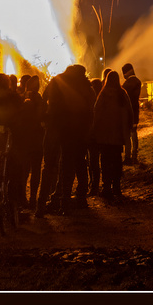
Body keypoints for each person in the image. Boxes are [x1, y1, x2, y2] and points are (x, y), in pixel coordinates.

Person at [43, 63, 96, 213]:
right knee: (80, 163)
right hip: (80, 131)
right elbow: (91, 108)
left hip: (62, 129)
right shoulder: (86, 87)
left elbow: (45, 98)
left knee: (64, 164)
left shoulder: (58, 81)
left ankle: (62, 200)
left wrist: (48, 118)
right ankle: (81, 197)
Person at [90, 70, 131, 202]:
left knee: (105, 161)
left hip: (104, 135)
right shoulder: (122, 93)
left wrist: (94, 129)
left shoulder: (103, 94)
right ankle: (117, 187)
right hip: (118, 135)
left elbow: (96, 113)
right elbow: (129, 112)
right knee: (117, 161)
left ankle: (106, 187)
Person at [9, 74, 46, 219]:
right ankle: (31, 198)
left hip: (26, 140)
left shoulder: (22, 98)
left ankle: (23, 197)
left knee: (24, 170)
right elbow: (42, 116)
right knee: (35, 170)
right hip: (36, 139)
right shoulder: (39, 99)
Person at [120, 65, 142, 165]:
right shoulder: (138, 81)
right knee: (134, 133)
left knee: (128, 134)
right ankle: (134, 155)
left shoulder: (126, 84)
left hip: (127, 112)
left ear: (127, 72)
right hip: (135, 111)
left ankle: (128, 156)